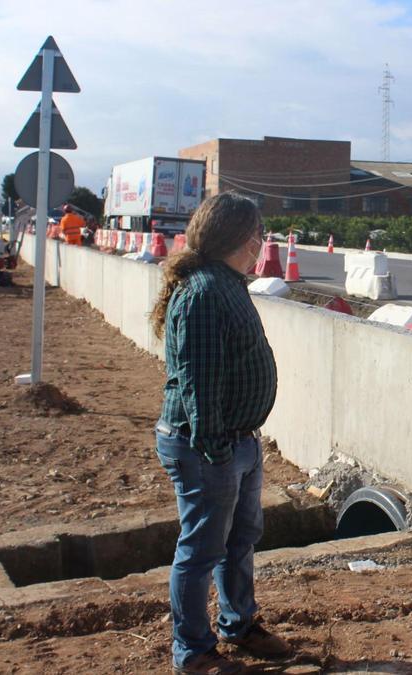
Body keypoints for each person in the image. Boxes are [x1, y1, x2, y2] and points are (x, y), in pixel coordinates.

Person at [148, 193, 290, 674]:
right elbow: (198, 383)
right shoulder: (205, 293)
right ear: (238, 237)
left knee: (239, 539)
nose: (261, 242)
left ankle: (239, 623)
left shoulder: (226, 284)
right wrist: (216, 451)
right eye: (257, 233)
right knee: (202, 549)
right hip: (208, 445)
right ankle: (192, 652)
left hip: (236, 440)